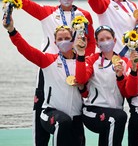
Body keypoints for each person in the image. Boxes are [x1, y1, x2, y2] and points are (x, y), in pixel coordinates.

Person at [6, 0, 96, 146]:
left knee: (74, 112)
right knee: (42, 108)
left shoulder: (84, 15)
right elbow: (23, 1)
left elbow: (91, 41)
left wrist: (86, 60)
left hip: (74, 66)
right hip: (49, 66)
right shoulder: (46, 12)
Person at [3, 14, 85, 146]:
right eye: (60, 39)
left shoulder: (83, 62)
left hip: (75, 116)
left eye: (67, 38)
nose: (63, 41)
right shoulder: (48, 60)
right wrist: (12, 30)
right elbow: (26, 49)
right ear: (55, 43)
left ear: (73, 40)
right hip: (50, 113)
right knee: (62, 122)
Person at [74, 25, 128, 146]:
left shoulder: (124, 62)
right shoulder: (92, 60)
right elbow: (81, 79)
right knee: (119, 117)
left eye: (108, 38)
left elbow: (127, 92)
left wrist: (120, 76)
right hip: (92, 110)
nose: (106, 42)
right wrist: (81, 53)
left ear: (114, 41)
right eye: (101, 40)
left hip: (114, 112)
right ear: (97, 44)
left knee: (116, 120)